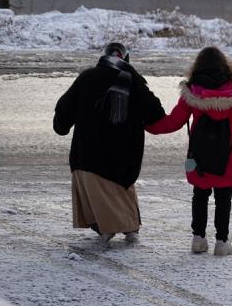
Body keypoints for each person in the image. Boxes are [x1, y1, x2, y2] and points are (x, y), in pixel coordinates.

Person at [53, 43, 165, 247]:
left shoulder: (87, 77)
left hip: (88, 152)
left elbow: (64, 108)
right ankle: (129, 228)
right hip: (123, 155)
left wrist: (61, 126)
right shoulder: (133, 81)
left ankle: (106, 227)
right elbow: (155, 113)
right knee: (121, 188)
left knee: (96, 190)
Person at [147, 47, 232, 256]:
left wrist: (147, 125)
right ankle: (222, 243)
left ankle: (198, 239)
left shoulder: (192, 93)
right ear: (226, 66)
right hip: (228, 159)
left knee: (200, 195)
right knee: (224, 199)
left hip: (199, 157)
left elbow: (173, 122)